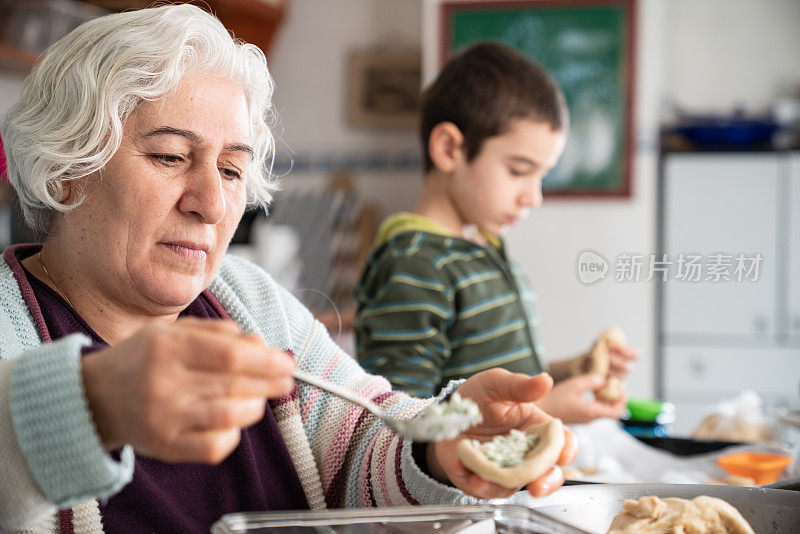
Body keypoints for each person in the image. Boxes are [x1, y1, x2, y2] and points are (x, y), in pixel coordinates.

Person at [0, 6, 578, 533]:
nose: (212, 203)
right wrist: (88, 402)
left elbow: (361, 440)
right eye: (170, 157)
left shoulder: (249, 300)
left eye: (231, 170)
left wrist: (439, 451)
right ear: (63, 168)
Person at [355, 43, 638, 424]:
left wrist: (574, 370)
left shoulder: (481, 248)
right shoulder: (415, 264)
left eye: (542, 175)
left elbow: (495, 376)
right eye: (519, 171)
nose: (534, 197)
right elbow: (402, 420)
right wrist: (546, 409)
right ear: (449, 149)